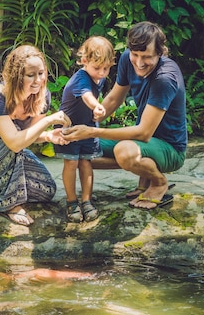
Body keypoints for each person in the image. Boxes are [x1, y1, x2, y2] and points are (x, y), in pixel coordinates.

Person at [62, 21, 187, 209]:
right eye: (135, 55)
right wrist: (84, 124)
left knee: (124, 152)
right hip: (143, 143)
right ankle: (143, 174)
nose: (139, 62)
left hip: (169, 149)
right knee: (77, 147)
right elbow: (113, 100)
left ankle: (159, 182)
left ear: (161, 53)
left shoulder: (164, 78)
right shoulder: (127, 59)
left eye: (147, 57)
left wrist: (92, 132)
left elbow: (143, 133)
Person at [0, 45, 72, 226]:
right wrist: (48, 121)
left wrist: (48, 136)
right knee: (7, 141)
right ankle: (9, 204)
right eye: (30, 75)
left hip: (6, 150)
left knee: (46, 189)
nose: (37, 80)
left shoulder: (42, 97)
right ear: (17, 76)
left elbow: (28, 135)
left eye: (41, 73)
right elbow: (14, 142)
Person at [54, 36, 114, 222]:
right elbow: (87, 96)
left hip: (88, 127)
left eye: (106, 68)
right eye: (97, 68)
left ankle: (86, 200)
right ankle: (72, 201)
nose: (102, 73)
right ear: (85, 61)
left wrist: (95, 114)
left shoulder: (99, 78)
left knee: (86, 162)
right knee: (71, 163)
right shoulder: (81, 78)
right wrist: (96, 106)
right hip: (70, 128)